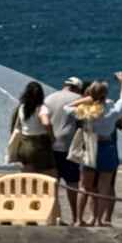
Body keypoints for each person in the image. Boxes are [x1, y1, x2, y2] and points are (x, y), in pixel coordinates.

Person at [69, 72, 122, 226]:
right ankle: (99, 220)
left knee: (85, 187)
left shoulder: (86, 111)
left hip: (90, 147)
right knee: (104, 187)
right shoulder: (112, 111)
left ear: (90, 94)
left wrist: (88, 99)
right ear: (105, 95)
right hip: (107, 147)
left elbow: (66, 108)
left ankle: (78, 219)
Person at [44, 77, 84, 222]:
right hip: (69, 147)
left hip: (50, 147)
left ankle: (55, 216)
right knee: (72, 183)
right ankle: (75, 216)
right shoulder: (78, 99)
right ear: (77, 88)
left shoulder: (49, 98)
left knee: (52, 183)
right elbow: (82, 122)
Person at [9, 81, 54, 175]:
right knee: (49, 174)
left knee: (28, 174)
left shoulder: (22, 107)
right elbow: (46, 123)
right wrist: (52, 136)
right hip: (40, 144)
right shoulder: (41, 108)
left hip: (25, 144)